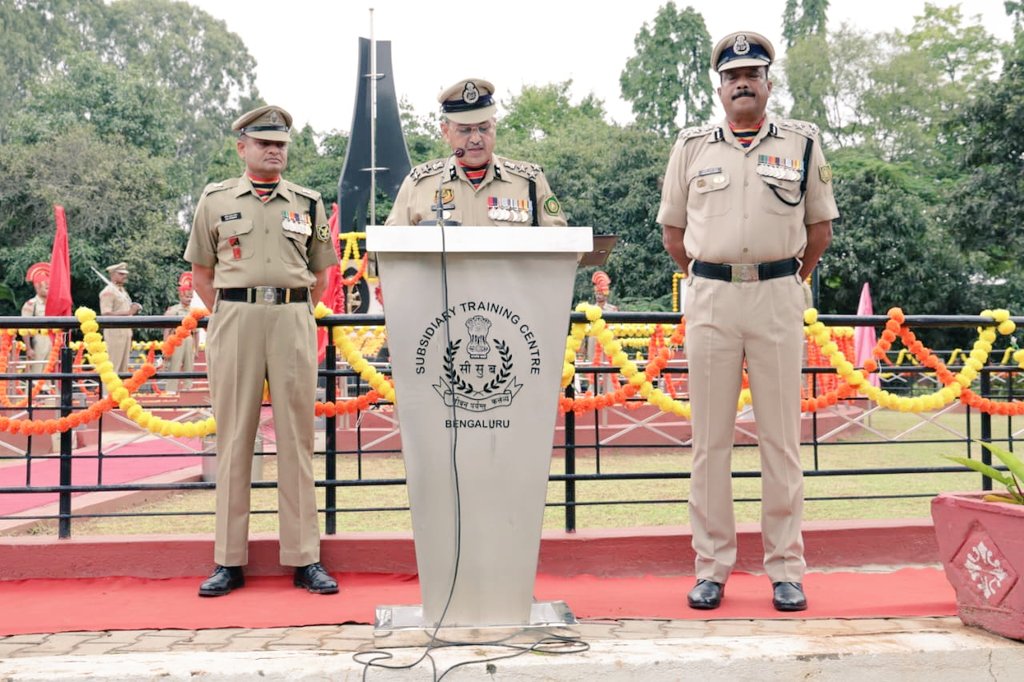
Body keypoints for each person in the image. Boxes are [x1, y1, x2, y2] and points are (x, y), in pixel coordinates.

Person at [657, 31, 837, 612]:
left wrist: (787, 278)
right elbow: (673, 233)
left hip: (778, 296)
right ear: (719, 86)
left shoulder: (803, 143)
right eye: (733, 76)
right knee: (709, 443)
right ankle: (711, 567)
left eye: (752, 74)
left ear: (767, 82)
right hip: (710, 297)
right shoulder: (690, 146)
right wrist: (708, 276)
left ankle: (786, 568)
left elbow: (819, 231)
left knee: (781, 441)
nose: (742, 83)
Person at [184, 104, 340, 597]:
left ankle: (304, 558)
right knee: (235, 438)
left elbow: (322, 273)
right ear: (243, 148)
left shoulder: (309, 202)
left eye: (281, 145)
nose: (275, 151)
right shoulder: (215, 200)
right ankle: (229, 560)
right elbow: (202, 274)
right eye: (265, 144)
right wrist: (233, 311)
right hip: (235, 320)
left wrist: (290, 306)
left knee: (296, 438)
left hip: (293, 316)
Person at [385, 78, 567, 227]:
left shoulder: (530, 181)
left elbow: (565, 247)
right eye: (465, 130)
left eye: (483, 128)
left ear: (494, 125)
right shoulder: (419, 184)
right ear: (446, 132)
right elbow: (387, 250)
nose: (475, 139)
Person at [99, 262, 142, 374]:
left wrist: (133, 310)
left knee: (123, 367)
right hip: (114, 332)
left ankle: (120, 391)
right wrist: (128, 312)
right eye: (121, 274)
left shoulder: (121, 291)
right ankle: (107, 391)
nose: (124, 276)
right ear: (113, 275)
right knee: (113, 365)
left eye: (125, 274)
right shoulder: (108, 292)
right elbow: (105, 314)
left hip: (125, 331)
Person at [162, 272, 197, 393]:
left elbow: (196, 332)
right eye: (186, 296)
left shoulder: (194, 311)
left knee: (189, 366)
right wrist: (165, 346)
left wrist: (196, 349)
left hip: (189, 339)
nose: (188, 299)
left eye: (190, 297)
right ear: (180, 296)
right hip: (176, 340)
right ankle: (171, 390)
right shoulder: (173, 310)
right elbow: (167, 329)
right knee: (174, 365)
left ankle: (188, 388)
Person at [21, 262, 53, 367]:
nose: (49, 290)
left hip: (52, 338)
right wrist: (28, 348)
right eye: (46, 287)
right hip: (38, 339)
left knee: (50, 372)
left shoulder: (53, 304)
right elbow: (24, 329)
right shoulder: (30, 304)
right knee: (37, 370)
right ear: (37, 287)